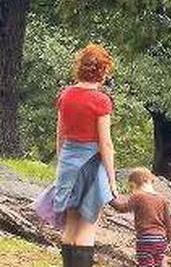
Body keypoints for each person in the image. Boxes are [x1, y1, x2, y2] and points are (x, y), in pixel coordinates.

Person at [34, 43, 118, 267]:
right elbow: (105, 144)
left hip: (67, 166)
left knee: (70, 228)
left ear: (80, 67)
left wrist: (63, 164)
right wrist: (111, 179)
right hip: (91, 167)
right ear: (102, 70)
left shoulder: (66, 95)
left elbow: (60, 135)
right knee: (87, 228)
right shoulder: (101, 101)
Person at [110, 168, 171, 267]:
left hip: (145, 239)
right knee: (160, 263)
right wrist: (168, 239)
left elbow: (122, 208)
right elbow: (168, 222)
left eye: (132, 187)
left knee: (146, 263)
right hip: (161, 239)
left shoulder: (138, 196)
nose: (132, 190)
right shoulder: (162, 199)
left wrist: (109, 198)